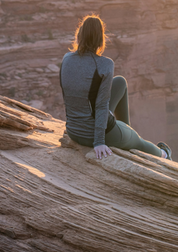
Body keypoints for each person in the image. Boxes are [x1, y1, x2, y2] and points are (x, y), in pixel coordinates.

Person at [60, 14, 172, 161]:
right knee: (138, 141)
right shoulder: (105, 64)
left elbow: (69, 96)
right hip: (96, 135)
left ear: (79, 35)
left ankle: (125, 130)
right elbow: (100, 105)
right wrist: (99, 142)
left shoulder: (66, 58)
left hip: (74, 131)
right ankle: (164, 154)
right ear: (100, 39)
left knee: (120, 82)